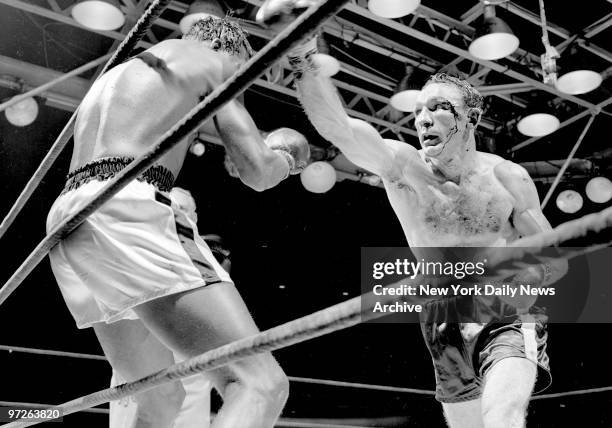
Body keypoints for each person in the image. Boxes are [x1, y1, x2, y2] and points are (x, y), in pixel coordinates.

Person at [256, 3, 567, 427]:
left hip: (506, 310)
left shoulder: (507, 178)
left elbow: (554, 263)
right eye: (419, 110)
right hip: (442, 315)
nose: (423, 119)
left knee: (502, 416)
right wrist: (305, 59)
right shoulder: (402, 166)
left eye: (439, 107)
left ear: (471, 118)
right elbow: (341, 130)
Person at [46, 16, 309, 428]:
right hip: (126, 209)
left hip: (68, 218)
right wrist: (287, 159)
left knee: (159, 396)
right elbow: (258, 171)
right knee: (260, 384)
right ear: (235, 54)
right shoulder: (219, 64)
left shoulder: (127, 68)